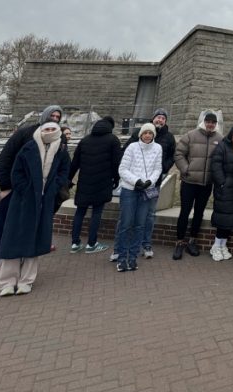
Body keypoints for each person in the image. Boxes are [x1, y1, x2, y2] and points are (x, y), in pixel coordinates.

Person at [0, 104, 63, 291]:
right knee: (4, 230)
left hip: (39, 196)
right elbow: (6, 158)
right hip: (16, 192)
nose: (55, 119)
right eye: (52, 115)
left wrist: (53, 190)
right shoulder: (25, 134)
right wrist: (6, 186)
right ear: (44, 116)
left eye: (58, 116)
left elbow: (61, 170)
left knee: (33, 231)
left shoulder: (58, 141)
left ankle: (23, 274)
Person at [0, 120, 71, 295]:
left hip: (44, 201)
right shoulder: (29, 147)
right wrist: (25, 189)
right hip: (23, 199)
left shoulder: (61, 151)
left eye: (53, 129)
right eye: (47, 129)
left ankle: (26, 280)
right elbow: (17, 172)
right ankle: (7, 281)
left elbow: (64, 172)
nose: (50, 131)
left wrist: (53, 188)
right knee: (13, 238)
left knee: (35, 239)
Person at [112, 108, 176, 260]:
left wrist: (163, 169)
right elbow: (125, 154)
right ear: (152, 119)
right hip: (133, 184)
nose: (160, 120)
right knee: (126, 218)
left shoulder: (169, 137)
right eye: (158, 117)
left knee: (149, 216)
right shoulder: (138, 134)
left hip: (153, 184)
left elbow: (172, 155)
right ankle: (119, 248)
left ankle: (145, 244)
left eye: (163, 118)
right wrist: (134, 178)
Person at [68, 116, 122, 253]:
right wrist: (116, 179)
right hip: (102, 182)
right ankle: (91, 244)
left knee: (80, 211)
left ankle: (75, 243)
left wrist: (68, 179)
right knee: (97, 212)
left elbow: (74, 163)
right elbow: (117, 163)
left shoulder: (85, 140)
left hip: (84, 182)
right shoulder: (113, 140)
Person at [173, 112, 222, 260]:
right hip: (189, 182)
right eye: (208, 121)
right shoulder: (191, 135)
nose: (210, 124)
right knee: (184, 212)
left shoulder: (219, 139)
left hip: (206, 184)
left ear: (216, 124)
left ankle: (192, 241)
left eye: (213, 122)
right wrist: (185, 169)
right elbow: (179, 153)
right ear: (204, 121)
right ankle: (179, 242)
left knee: (199, 213)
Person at [116, 122, 162, 272]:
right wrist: (136, 181)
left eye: (150, 133)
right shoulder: (132, 147)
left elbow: (157, 168)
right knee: (126, 224)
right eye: (145, 133)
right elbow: (122, 169)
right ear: (141, 134)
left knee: (140, 224)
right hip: (130, 189)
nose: (148, 135)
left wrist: (150, 182)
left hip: (146, 190)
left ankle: (133, 257)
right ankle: (122, 257)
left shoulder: (158, 148)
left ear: (153, 135)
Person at [209, 124, 233, 261]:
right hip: (225, 188)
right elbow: (216, 165)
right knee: (222, 218)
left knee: (230, 218)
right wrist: (222, 182)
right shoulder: (222, 146)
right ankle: (216, 246)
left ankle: (223, 245)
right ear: (231, 134)